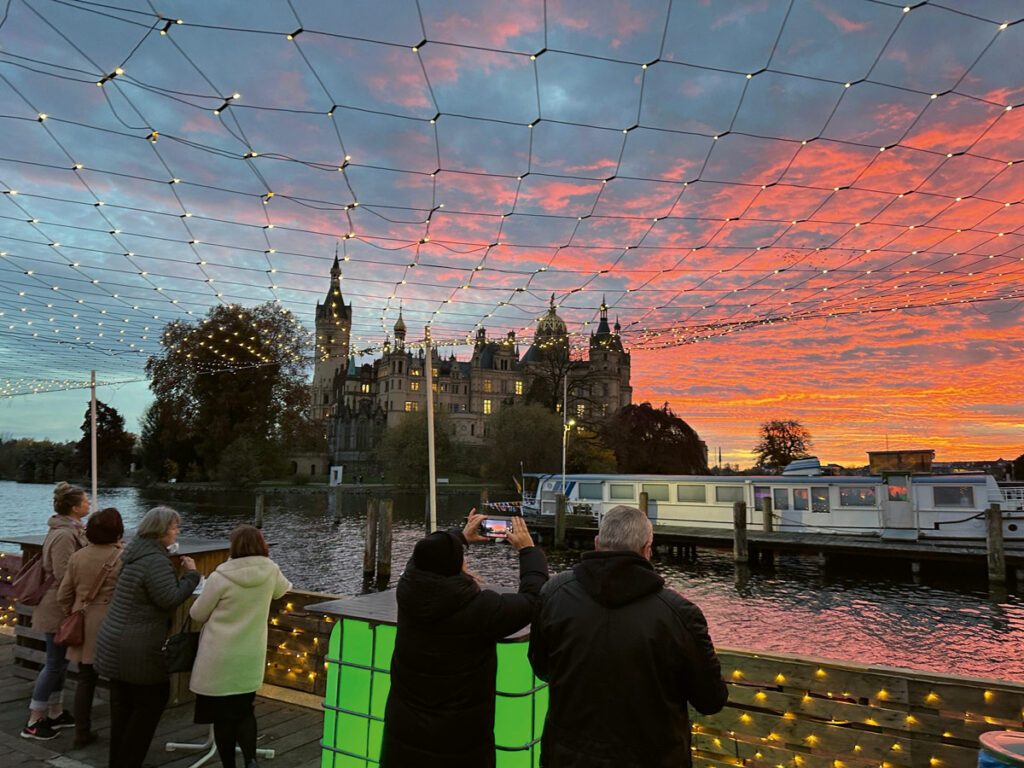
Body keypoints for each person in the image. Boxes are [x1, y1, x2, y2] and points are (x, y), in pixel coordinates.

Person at [528, 505, 728, 768]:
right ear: (647, 549)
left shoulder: (554, 593)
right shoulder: (679, 614)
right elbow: (710, 700)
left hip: (566, 756)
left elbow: (541, 667)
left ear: (598, 544)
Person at [380, 512, 548, 768]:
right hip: (458, 741)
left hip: (403, 732)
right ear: (457, 566)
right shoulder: (481, 609)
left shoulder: (408, 588)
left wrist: (461, 538)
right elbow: (534, 600)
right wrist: (528, 551)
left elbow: (421, 557)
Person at [95, 506, 200, 768]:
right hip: (139, 649)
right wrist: (191, 575)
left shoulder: (134, 553)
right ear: (161, 531)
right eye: (174, 527)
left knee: (122, 712)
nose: (177, 531)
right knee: (149, 707)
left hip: (114, 643)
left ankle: (117, 762)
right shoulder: (155, 561)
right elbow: (169, 599)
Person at [189, 525, 291, 768]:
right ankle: (251, 761)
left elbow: (197, 613)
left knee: (222, 716)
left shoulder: (220, 576)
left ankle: (228, 766)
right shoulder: (270, 570)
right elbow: (283, 590)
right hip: (250, 652)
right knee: (245, 710)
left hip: (219, 655)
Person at [21, 481, 90, 741]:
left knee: (60, 663)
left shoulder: (70, 529)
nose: (89, 504)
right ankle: (34, 720)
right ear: (74, 507)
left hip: (62, 606)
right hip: (57, 607)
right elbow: (63, 575)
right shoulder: (64, 534)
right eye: (86, 501)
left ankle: (55, 712)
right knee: (53, 664)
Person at [56, 506, 124, 749]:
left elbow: (63, 595)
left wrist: (73, 613)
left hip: (84, 622)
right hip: (113, 623)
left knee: (86, 680)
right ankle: (120, 734)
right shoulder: (122, 557)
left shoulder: (78, 557)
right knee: (117, 682)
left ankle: (81, 733)